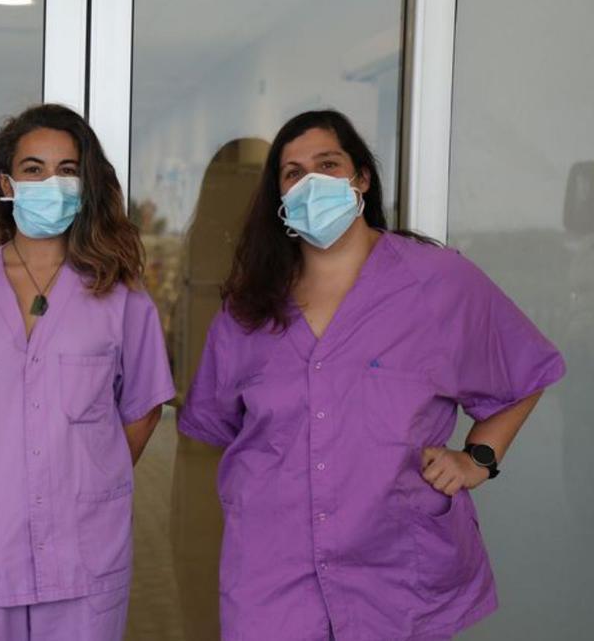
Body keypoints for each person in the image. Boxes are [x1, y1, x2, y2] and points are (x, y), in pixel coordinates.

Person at [179, 109, 566, 640]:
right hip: (272, 577)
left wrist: (478, 459)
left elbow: (525, 373)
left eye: (328, 164)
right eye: (293, 173)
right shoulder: (248, 309)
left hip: (397, 573)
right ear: (279, 196)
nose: (311, 182)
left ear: (361, 177)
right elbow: (212, 432)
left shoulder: (437, 283)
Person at [0, 104, 175, 641]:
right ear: (7, 182)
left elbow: (141, 412)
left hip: (83, 548)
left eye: (67, 170)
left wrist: (88, 473)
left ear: (86, 183)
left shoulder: (121, 294)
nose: (51, 182)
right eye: (33, 169)